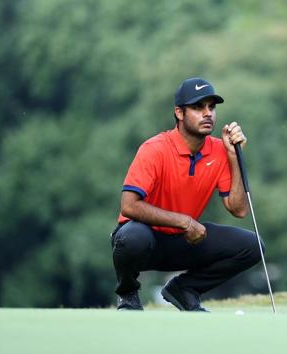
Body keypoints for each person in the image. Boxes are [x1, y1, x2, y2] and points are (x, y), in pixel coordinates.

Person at [110, 77, 264, 311]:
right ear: (179, 113)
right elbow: (129, 206)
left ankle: (184, 289)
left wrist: (233, 157)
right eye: (198, 107)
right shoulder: (155, 149)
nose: (208, 113)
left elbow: (239, 209)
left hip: (185, 241)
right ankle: (128, 294)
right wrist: (184, 222)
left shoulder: (220, 151)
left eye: (211, 107)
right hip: (145, 240)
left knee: (253, 246)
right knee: (132, 238)